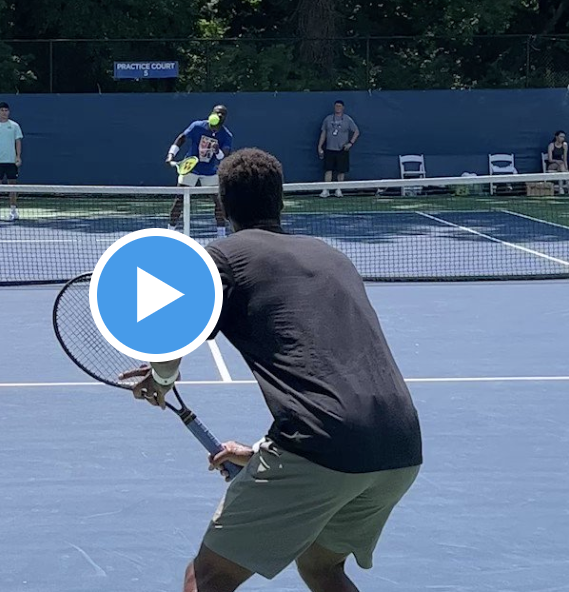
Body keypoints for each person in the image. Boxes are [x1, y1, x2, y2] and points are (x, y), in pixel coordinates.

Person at [120, 147, 423, 592]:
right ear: (280, 201)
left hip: (322, 444)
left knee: (206, 577)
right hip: (399, 445)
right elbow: (329, 370)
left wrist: (162, 379)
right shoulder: (331, 256)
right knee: (321, 569)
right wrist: (265, 450)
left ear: (220, 205)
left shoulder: (221, 258)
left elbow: (174, 334)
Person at [165, 105, 233, 238]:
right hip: (190, 168)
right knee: (179, 200)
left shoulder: (226, 135)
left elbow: (222, 157)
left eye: (223, 114)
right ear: (212, 113)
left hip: (209, 172)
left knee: (219, 203)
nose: (219, 116)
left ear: (225, 118)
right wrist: (170, 155)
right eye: (217, 113)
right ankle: (169, 233)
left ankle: (221, 236)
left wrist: (217, 150)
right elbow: (181, 138)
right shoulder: (197, 126)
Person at [0, 101, 24, 221]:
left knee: (12, 187)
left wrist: (18, 156)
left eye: (6, 110)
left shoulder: (15, 126)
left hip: (11, 162)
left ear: (9, 112)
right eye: (2, 110)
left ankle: (13, 211)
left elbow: (18, 142)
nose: (4, 112)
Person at [317, 100, 359, 198]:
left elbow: (356, 131)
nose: (338, 108)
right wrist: (320, 147)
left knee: (341, 170)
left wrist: (350, 143)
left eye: (339, 106)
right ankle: (326, 189)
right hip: (330, 148)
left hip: (342, 149)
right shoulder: (328, 119)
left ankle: (339, 189)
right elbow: (323, 133)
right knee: (328, 170)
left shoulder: (348, 120)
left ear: (343, 108)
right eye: (336, 106)